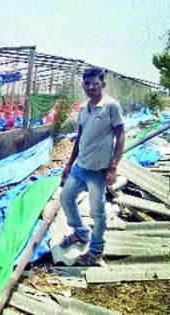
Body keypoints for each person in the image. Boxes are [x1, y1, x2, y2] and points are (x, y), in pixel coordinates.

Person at [59, 67, 125, 265]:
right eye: (86, 84)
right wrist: (70, 163)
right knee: (66, 197)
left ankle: (96, 249)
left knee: (97, 211)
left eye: (95, 83)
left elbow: (120, 135)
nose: (90, 87)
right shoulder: (83, 108)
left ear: (103, 84)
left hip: (98, 170)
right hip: (81, 166)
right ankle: (81, 232)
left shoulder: (111, 106)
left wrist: (113, 167)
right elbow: (79, 137)